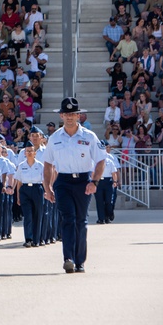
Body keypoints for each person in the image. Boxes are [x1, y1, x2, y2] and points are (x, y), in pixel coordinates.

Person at [42, 97, 107, 273]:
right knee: (68, 218)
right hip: (62, 181)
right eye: (66, 114)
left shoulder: (89, 136)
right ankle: (68, 258)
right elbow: (47, 164)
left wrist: (94, 181)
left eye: (73, 114)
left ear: (78, 116)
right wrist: (47, 188)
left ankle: (80, 261)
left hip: (83, 181)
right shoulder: (54, 138)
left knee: (81, 221)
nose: (69, 117)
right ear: (61, 115)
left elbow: (101, 160)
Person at [14, 142, 44, 247]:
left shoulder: (40, 166)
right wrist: (18, 196)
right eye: (27, 151)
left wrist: (47, 192)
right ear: (24, 153)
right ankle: (28, 239)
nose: (29, 153)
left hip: (37, 189)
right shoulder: (22, 166)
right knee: (27, 216)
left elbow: (44, 181)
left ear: (35, 153)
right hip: (25, 190)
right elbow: (19, 182)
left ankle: (37, 239)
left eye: (31, 151)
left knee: (37, 215)